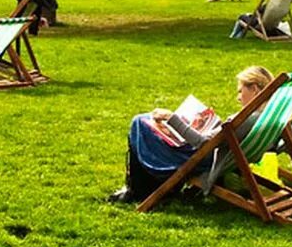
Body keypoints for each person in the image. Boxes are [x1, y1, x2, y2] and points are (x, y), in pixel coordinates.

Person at [110, 65, 274, 203]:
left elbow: (203, 144)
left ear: (253, 89)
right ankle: (147, 187)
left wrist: (171, 118)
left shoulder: (245, 118)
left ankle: (137, 189)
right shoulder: (269, 117)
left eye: (240, 91)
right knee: (147, 122)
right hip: (218, 155)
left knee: (140, 122)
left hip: (203, 159)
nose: (238, 98)